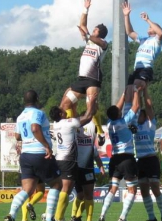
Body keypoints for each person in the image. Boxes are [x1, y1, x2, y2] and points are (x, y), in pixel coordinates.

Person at [4, 90, 63, 221]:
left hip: (26, 155)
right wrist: (46, 145)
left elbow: (17, 136)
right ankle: (49, 219)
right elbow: (35, 128)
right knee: (57, 184)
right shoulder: (38, 113)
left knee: (28, 190)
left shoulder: (20, 116)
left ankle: (11, 215)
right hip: (39, 153)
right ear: (37, 99)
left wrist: (28, 137)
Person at [59, 0, 108, 146]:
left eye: (95, 30)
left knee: (91, 108)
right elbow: (83, 26)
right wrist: (85, 9)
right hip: (82, 79)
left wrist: (87, 34)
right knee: (65, 104)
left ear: (100, 33)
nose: (92, 31)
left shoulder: (103, 44)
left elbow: (91, 36)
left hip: (93, 80)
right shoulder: (89, 41)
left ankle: (99, 132)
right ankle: (72, 128)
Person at [49, 95, 97, 221]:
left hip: (59, 159)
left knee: (64, 189)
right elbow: (87, 118)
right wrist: (92, 103)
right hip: (68, 161)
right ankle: (57, 218)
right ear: (60, 113)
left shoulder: (56, 123)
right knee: (66, 190)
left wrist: (74, 103)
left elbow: (68, 111)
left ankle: (56, 217)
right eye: (63, 110)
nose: (66, 110)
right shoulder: (67, 123)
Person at [97, 86, 142, 221]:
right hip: (126, 157)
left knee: (113, 188)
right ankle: (122, 217)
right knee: (132, 190)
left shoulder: (110, 124)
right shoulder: (124, 122)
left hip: (114, 158)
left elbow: (115, 108)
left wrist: (123, 95)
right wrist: (136, 91)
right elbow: (136, 105)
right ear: (118, 113)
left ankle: (102, 215)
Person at [121, 2, 162, 126]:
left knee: (136, 87)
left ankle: (136, 117)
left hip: (145, 69)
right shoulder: (143, 40)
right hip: (136, 70)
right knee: (129, 91)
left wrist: (148, 20)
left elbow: (160, 33)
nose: (150, 28)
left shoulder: (157, 41)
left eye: (152, 27)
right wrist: (126, 16)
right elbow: (129, 32)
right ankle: (129, 120)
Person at [134, 86, 162, 221]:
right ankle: (152, 217)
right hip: (140, 161)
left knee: (155, 188)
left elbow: (148, 107)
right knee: (143, 190)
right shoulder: (134, 126)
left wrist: (143, 92)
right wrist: (136, 93)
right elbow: (135, 108)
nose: (139, 117)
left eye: (141, 115)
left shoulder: (150, 125)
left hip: (151, 159)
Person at [70, 118, 106, 221]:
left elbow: (97, 157)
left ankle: (86, 219)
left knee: (88, 195)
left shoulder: (92, 145)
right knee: (81, 195)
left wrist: (101, 167)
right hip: (77, 168)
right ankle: (74, 216)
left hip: (88, 169)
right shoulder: (74, 139)